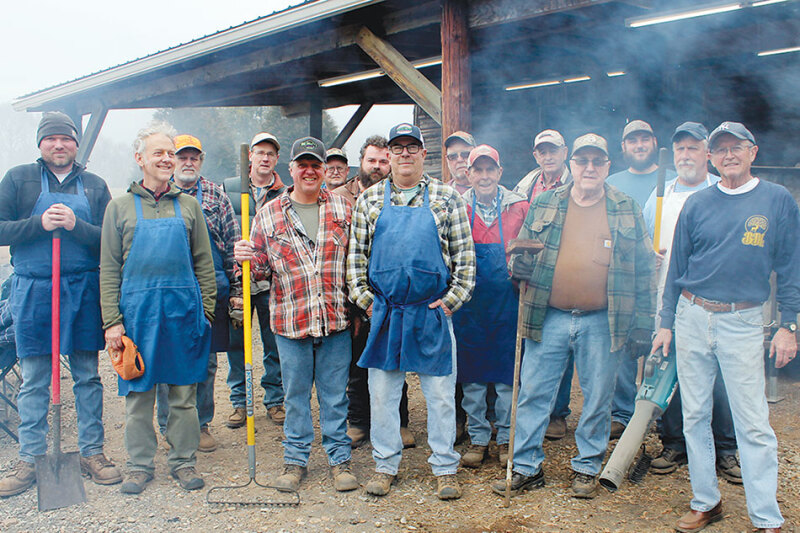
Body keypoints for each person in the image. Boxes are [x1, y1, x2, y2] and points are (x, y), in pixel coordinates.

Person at [652, 122, 799, 533]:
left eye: (737, 147)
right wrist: (665, 323)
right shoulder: (697, 204)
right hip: (692, 315)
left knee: (752, 420)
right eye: (721, 149)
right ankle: (706, 501)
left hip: (744, 320)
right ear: (711, 157)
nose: (728, 154)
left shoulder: (777, 200)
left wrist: (789, 325)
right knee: (695, 414)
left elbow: (790, 268)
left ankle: (766, 517)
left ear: (753, 151)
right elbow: (676, 270)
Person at [494, 133, 654, 500]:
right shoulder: (547, 202)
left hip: (602, 319)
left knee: (598, 396)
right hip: (549, 315)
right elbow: (520, 250)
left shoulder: (626, 206)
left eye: (598, 161)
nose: (590, 168)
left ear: (607, 166)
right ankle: (525, 468)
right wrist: (517, 265)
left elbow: (645, 270)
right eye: (583, 161)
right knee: (534, 392)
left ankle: (586, 467)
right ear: (573, 164)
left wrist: (643, 322)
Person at [347, 122, 476, 500]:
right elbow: (355, 263)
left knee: (439, 394)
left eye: (412, 148)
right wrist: (368, 303)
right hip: (387, 313)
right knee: (383, 393)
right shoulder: (369, 201)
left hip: (431, 311)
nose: (404, 154)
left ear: (423, 153)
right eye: (397, 147)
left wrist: (450, 304)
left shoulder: (447, 198)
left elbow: (465, 263)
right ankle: (385, 465)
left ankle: (445, 467)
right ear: (388, 155)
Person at [0, 112, 120, 497]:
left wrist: (74, 226)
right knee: (35, 377)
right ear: (40, 144)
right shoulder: (18, 179)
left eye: (66, 139)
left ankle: (92, 452)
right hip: (34, 289)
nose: (59, 145)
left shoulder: (96, 185)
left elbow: (111, 239)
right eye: (50, 139)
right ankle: (30, 458)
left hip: (82, 290)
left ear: (76, 145)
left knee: (87, 374)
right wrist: (40, 225)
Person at [234, 136, 357, 493]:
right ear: (291, 169)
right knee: (295, 395)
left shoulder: (343, 209)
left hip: (335, 321)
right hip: (290, 324)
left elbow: (355, 264)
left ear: (323, 170)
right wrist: (244, 258)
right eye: (302, 164)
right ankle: (296, 460)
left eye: (315, 165)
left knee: (335, 395)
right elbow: (257, 272)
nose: (309, 170)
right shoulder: (267, 214)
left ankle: (339, 460)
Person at [101, 123, 216, 494]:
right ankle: (138, 465)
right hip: (137, 317)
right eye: (158, 153)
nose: (167, 159)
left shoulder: (189, 205)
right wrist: (112, 322)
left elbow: (204, 264)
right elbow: (108, 268)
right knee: (138, 396)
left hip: (183, 314)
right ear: (140, 159)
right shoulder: (118, 208)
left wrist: (207, 312)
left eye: (171, 152)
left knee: (183, 395)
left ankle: (184, 462)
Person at [641, 122, 740, 483]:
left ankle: (726, 449)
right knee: (670, 370)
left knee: (720, 377)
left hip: (711, 301)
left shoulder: (723, 190)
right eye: (680, 149)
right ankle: (674, 442)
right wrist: (647, 255)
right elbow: (645, 238)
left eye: (693, 148)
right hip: (666, 297)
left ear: (708, 155)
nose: (685, 155)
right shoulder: (660, 194)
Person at [154, 134, 241, 454]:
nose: (187, 163)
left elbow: (232, 244)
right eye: (182, 157)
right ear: (170, 160)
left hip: (209, 290)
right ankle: (169, 425)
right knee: (167, 360)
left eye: (194, 158)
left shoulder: (216, 196)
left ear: (200, 161)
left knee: (206, 363)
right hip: (168, 290)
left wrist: (236, 290)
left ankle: (202, 423)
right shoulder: (156, 196)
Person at [332, 135, 416, 450]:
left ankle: (400, 421)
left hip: (391, 293)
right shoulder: (340, 197)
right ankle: (358, 422)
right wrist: (354, 305)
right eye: (372, 160)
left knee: (394, 359)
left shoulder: (401, 196)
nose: (378, 167)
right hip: (355, 294)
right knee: (357, 364)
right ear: (361, 163)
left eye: (383, 161)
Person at [454, 145, 528, 469]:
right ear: (468, 174)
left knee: (506, 377)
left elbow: (532, 248)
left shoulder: (519, 207)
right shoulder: (456, 207)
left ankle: (506, 438)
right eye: (477, 170)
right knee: (471, 378)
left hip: (507, 303)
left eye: (490, 170)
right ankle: (478, 437)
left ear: (499, 172)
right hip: (469, 305)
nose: (484, 176)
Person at [606, 119, 676, 439]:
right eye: (632, 141)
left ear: (654, 142)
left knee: (663, 346)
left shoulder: (672, 182)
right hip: (625, 279)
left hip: (667, 278)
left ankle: (660, 413)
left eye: (644, 139)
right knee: (623, 344)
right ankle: (621, 412)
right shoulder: (612, 182)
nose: (639, 145)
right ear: (624, 147)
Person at [222, 132, 285, 428]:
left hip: (272, 280)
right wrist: (232, 274)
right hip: (239, 279)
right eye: (260, 152)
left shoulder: (284, 193)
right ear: (250, 155)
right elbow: (223, 234)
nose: (265, 158)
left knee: (274, 342)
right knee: (237, 343)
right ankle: (239, 401)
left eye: (271, 154)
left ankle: (275, 399)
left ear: (276, 159)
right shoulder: (230, 188)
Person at [513, 128, 572, 440]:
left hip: (566, 272)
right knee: (535, 344)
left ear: (564, 152)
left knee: (565, 349)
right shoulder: (526, 187)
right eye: (542, 151)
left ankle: (558, 412)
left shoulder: (578, 184)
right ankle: (532, 411)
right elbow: (522, 231)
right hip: (536, 278)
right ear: (536, 155)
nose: (548, 156)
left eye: (553, 150)